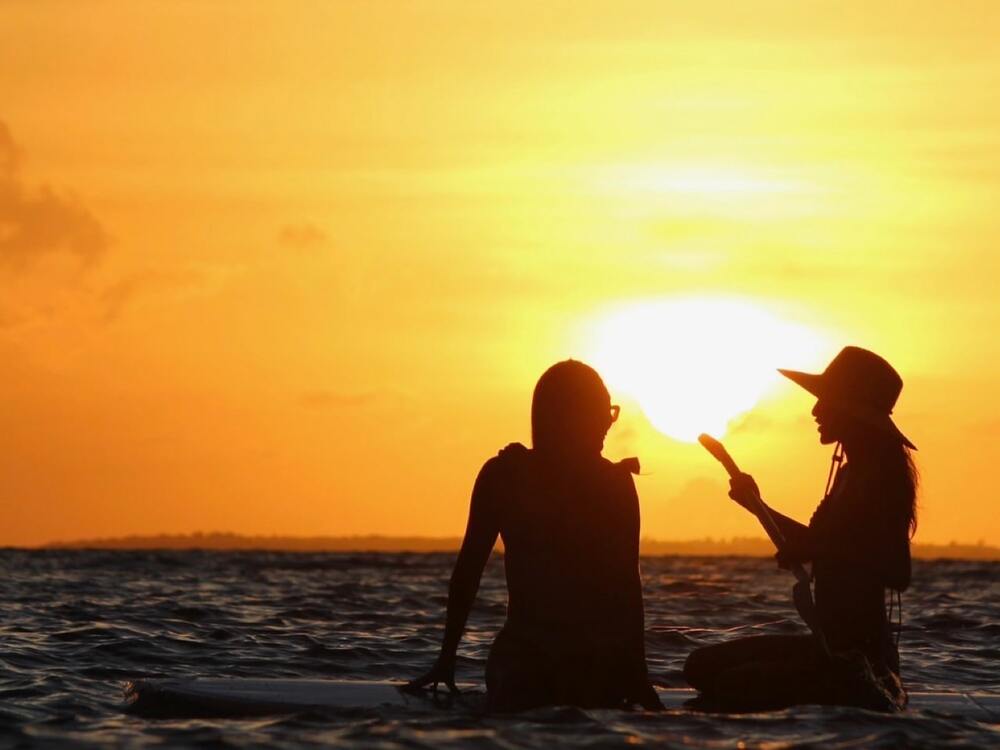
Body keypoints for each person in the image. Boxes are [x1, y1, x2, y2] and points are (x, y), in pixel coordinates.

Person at [407, 360, 663, 711]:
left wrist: (447, 656)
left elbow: (467, 574)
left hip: (542, 662)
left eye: (610, 414)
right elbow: (627, 590)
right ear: (569, 418)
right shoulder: (516, 476)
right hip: (546, 661)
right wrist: (637, 674)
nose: (608, 424)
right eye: (601, 414)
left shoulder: (506, 474)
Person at [684, 346, 918, 711]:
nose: (814, 411)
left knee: (727, 687)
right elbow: (813, 544)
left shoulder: (882, 477)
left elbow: (897, 571)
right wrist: (756, 504)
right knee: (698, 667)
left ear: (851, 409)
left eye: (825, 401)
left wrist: (818, 550)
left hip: (860, 662)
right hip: (828, 645)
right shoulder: (848, 474)